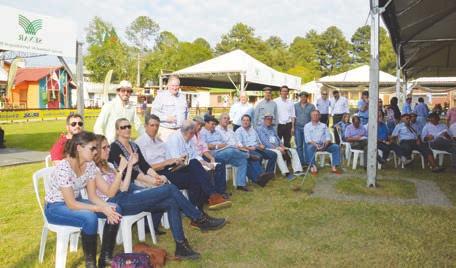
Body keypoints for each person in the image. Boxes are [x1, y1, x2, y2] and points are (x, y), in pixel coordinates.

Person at [93, 135, 225, 260]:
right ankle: (198, 218)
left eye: (108, 147)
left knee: (171, 202)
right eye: (104, 148)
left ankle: (181, 246)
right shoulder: (94, 170)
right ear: (96, 151)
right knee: (170, 189)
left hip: (126, 196)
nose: (108, 149)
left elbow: (124, 187)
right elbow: (110, 193)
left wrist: (128, 166)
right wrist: (121, 171)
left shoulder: (109, 166)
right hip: (115, 204)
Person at [44, 132, 121, 267]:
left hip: (75, 201)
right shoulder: (64, 168)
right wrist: (101, 208)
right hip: (55, 207)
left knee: (115, 208)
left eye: (96, 148)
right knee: (90, 218)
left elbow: (92, 196)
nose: (96, 152)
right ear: (79, 148)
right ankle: (90, 264)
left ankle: (105, 257)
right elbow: (71, 204)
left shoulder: (90, 165)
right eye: (92, 148)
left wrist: (106, 207)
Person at [133, 116, 231, 210]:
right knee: (194, 168)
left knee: (194, 167)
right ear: (145, 126)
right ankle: (210, 197)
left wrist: (176, 161)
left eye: (157, 126)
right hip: (155, 174)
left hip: (169, 168)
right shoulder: (140, 143)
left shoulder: (159, 141)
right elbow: (144, 168)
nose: (155, 128)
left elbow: (191, 154)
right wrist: (168, 162)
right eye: (152, 125)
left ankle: (200, 207)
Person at [166, 120, 232, 208]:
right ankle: (212, 195)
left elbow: (195, 154)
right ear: (189, 131)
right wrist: (199, 162)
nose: (193, 135)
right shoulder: (174, 138)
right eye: (192, 133)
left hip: (188, 166)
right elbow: (177, 160)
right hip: (174, 168)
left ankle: (208, 199)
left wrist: (205, 163)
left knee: (199, 168)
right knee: (196, 166)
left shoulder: (188, 137)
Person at [200, 115, 250, 191]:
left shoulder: (216, 132)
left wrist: (225, 145)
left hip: (224, 152)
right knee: (231, 150)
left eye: (214, 124)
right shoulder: (203, 132)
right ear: (206, 123)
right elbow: (204, 146)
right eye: (212, 124)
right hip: (214, 153)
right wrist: (217, 146)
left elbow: (224, 142)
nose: (214, 126)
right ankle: (248, 155)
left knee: (242, 161)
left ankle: (240, 185)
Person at [257, 113, 303, 179]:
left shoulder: (272, 128)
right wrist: (277, 148)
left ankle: (297, 170)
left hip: (278, 147)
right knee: (278, 153)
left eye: (270, 119)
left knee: (293, 150)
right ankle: (286, 173)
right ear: (264, 119)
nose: (269, 121)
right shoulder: (260, 129)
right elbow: (265, 142)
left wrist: (282, 146)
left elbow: (278, 138)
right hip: (268, 148)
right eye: (267, 119)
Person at [235, 114, 275, 186]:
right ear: (241, 121)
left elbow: (258, 141)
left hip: (257, 147)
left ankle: (268, 174)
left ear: (250, 122)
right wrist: (249, 148)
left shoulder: (253, 130)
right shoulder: (238, 131)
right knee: (258, 156)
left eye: (247, 120)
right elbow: (239, 145)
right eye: (244, 120)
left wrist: (261, 145)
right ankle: (260, 175)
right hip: (247, 149)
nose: (246, 122)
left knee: (273, 154)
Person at [304, 110, 342, 175]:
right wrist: (316, 145)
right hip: (313, 144)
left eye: (317, 115)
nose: (315, 116)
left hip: (324, 144)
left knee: (336, 147)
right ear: (311, 116)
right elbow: (308, 139)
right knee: (309, 148)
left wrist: (326, 143)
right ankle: (313, 166)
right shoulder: (307, 126)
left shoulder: (324, 125)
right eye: (313, 115)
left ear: (319, 116)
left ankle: (334, 166)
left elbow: (328, 137)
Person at [151, 75, 188, 141]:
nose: (174, 88)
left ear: (179, 86)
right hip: (165, 131)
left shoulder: (183, 97)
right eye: (172, 85)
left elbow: (186, 113)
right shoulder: (161, 96)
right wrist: (166, 118)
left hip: (180, 132)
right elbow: (153, 114)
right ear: (168, 85)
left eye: (176, 85)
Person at [294, 91, 315, 165]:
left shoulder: (311, 106)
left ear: (307, 97)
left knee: (307, 145)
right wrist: (293, 128)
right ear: (300, 97)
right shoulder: (295, 106)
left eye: (305, 97)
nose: (303, 98)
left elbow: (313, 117)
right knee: (299, 146)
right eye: (301, 97)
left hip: (307, 129)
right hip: (297, 128)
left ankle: (307, 161)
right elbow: (293, 117)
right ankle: (300, 162)